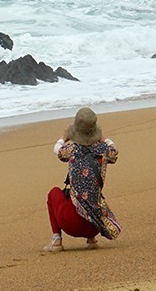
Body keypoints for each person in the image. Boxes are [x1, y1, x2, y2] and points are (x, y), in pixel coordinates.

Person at [43, 107, 121, 252]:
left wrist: (63, 137)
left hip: (70, 223)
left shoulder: (72, 149)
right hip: (95, 226)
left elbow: (57, 150)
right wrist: (104, 139)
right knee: (93, 193)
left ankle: (57, 240)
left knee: (54, 193)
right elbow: (114, 151)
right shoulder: (104, 150)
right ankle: (91, 239)